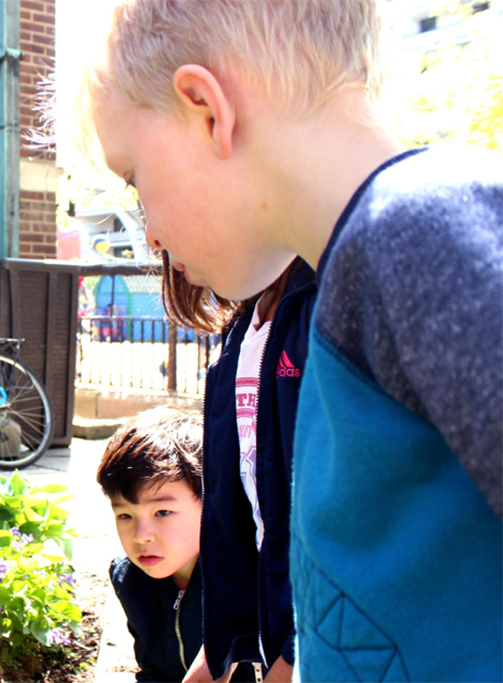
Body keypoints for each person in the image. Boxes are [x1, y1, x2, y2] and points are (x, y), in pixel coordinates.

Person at [78, 1, 503, 680]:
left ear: (206, 108)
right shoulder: (353, 282)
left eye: (135, 178)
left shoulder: (416, 234)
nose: (149, 231)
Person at [161, 260, 316, 683]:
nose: (154, 238)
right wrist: (219, 651)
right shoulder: (241, 331)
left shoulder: (324, 310)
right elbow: (246, 508)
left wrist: (295, 654)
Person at [97, 407, 255, 683]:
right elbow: (153, 671)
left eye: (162, 513)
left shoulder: (244, 577)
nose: (141, 536)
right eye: (125, 515)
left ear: (210, 505)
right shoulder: (131, 580)